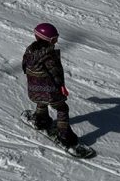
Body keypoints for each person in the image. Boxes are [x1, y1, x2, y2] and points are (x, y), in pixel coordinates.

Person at [22, 22, 90, 156]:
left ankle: (41, 119)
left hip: (34, 90)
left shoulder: (30, 50)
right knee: (62, 108)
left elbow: (25, 67)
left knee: (41, 100)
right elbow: (56, 73)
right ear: (49, 40)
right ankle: (64, 135)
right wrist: (61, 87)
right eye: (54, 39)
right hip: (49, 92)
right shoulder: (49, 56)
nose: (56, 41)